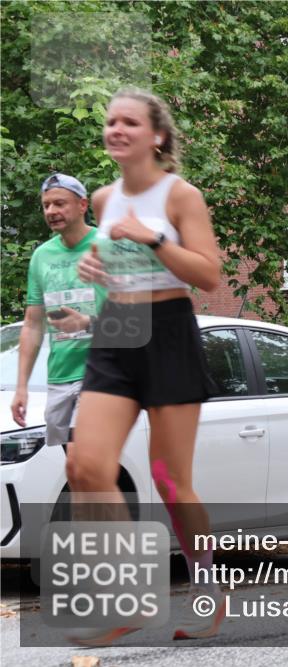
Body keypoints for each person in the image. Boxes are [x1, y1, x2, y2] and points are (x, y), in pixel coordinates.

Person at [67, 87, 223, 645]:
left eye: (129, 122)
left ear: (156, 136)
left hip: (169, 332)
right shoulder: (104, 199)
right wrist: (94, 264)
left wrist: (152, 237)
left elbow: (208, 276)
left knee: (170, 481)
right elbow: (114, 262)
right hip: (117, 329)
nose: (117, 129)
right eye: (111, 121)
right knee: (84, 465)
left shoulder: (181, 196)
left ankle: (207, 590)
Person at [11, 174, 106, 452]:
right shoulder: (42, 256)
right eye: (46, 205)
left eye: (59, 203)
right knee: (79, 471)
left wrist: (87, 324)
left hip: (102, 372)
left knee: (82, 459)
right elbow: (32, 325)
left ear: (82, 205)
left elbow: (138, 319)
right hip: (59, 377)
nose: (51, 211)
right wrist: (21, 387)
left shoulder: (109, 246)